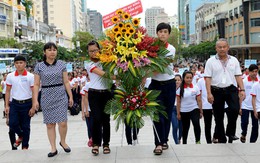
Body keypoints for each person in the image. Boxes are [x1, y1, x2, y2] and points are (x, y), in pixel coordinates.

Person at [32, 42, 73, 157]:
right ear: (44, 52)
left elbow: (66, 81)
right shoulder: (39, 66)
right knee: (50, 124)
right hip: (46, 95)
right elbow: (36, 84)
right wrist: (35, 100)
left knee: (63, 122)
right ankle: (53, 148)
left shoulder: (61, 64)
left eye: (54, 50)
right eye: (49, 50)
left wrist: (70, 96)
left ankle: (63, 141)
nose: (52, 52)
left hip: (60, 94)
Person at [204, 38, 245, 143]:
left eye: (224, 47)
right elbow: (208, 78)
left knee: (235, 109)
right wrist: (209, 93)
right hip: (216, 90)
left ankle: (230, 131)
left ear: (228, 47)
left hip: (231, 89)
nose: (222, 49)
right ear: (216, 48)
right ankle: (221, 138)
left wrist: (242, 89)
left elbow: (238, 76)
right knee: (218, 115)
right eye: (219, 47)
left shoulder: (234, 60)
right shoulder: (210, 61)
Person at [148, 22, 176, 155]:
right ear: (157, 33)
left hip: (169, 85)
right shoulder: (150, 48)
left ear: (168, 34)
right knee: (157, 115)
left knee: (167, 114)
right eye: (160, 32)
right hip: (155, 85)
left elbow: (161, 66)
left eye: (165, 32)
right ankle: (158, 143)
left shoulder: (171, 49)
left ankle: (164, 140)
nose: (162, 34)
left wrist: (145, 71)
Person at [85, 40, 113, 156]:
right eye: (91, 51)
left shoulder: (107, 61)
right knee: (96, 119)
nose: (93, 53)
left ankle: (106, 144)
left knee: (106, 119)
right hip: (94, 94)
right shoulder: (88, 63)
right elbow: (103, 74)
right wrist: (117, 77)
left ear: (99, 49)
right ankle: (96, 144)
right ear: (88, 52)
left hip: (106, 93)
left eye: (95, 50)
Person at [4, 55, 35, 150]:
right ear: (14, 64)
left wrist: (33, 106)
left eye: (21, 63)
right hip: (14, 103)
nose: (19, 65)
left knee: (26, 126)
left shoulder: (30, 76)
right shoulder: (10, 76)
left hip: (27, 103)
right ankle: (21, 135)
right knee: (12, 123)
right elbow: (8, 91)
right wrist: (6, 106)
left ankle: (25, 146)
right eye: (17, 63)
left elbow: (34, 92)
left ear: (25, 64)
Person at [176, 71, 202, 144]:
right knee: (185, 127)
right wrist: (178, 113)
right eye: (187, 78)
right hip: (184, 111)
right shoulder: (179, 90)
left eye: (191, 78)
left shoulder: (196, 87)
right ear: (184, 78)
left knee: (196, 123)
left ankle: (198, 140)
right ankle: (184, 142)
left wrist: (201, 111)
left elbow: (199, 100)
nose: (189, 79)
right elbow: (178, 102)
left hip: (194, 109)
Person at [240, 64, 259, 143]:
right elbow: (240, 94)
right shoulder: (244, 81)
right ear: (249, 72)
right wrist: (240, 107)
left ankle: (252, 141)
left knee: (255, 125)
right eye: (253, 71)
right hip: (245, 105)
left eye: (256, 71)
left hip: (256, 106)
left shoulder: (259, 81)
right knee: (244, 122)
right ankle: (243, 133)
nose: (255, 73)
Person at [197, 77, 213, 144]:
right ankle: (208, 141)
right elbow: (199, 95)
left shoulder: (215, 78)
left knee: (219, 122)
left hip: (216, 105)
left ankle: (216, 136)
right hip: (206, 106)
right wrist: (200, 108)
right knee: (207, 125)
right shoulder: (200, 81)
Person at [80, 75, 93, 147]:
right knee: (89, 127)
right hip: (88, 110)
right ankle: (91, 140)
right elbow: (83, 101)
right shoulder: (85, 87)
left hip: (95, 109)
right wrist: (83, 112)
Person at [171, 74, 182, 144]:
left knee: (181, 127)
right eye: (175, 80)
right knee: (175, 126)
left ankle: (179, 137)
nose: (177, 82)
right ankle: (176, 142)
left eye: (178, 80)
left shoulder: (183, 89)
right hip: (172, 109)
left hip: (181, 109)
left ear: (181, 81)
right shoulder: (170, 89)